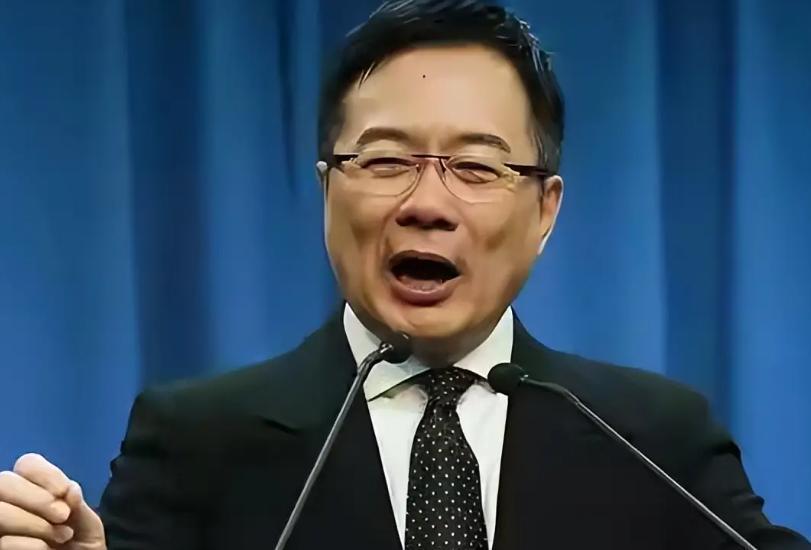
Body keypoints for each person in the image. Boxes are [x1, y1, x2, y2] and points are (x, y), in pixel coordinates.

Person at [0, 1, 808, 548]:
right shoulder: (196, 442)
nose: (426, 204)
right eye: (385, 161)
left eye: (476, 167)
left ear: (545, 210)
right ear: (327, 190)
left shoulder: (655, 439)